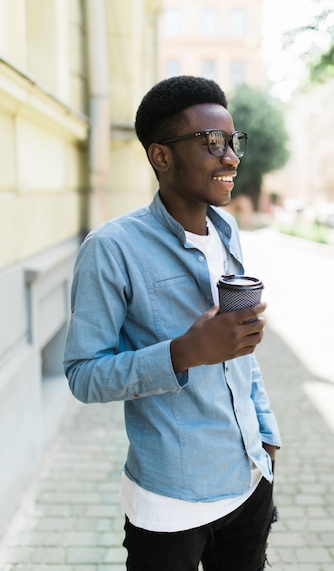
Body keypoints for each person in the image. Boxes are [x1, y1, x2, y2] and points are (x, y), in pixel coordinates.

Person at [63, 75, 281, 571]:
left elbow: (239, 349)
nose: (230, 156)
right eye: (211, 143)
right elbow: (83, 374)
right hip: (170, 504)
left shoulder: (227, 232)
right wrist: (182, 353)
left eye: (232, 141)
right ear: (161, 156)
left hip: (249, 480)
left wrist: (267, 437)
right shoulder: (111, 248)